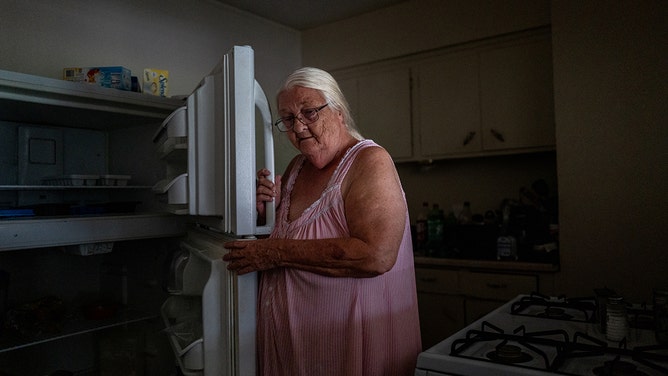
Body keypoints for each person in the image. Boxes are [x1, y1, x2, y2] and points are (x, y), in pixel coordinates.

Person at [223, 67, 421, 376]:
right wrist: (263, 217)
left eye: (310, 113)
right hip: (293, 350)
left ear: (339, 111)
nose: (298, 127)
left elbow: (376, 256)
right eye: (288, 119)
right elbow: (286, 243)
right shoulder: (296, 167)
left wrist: (272, 252)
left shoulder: (369, 161)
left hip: (345, 349)